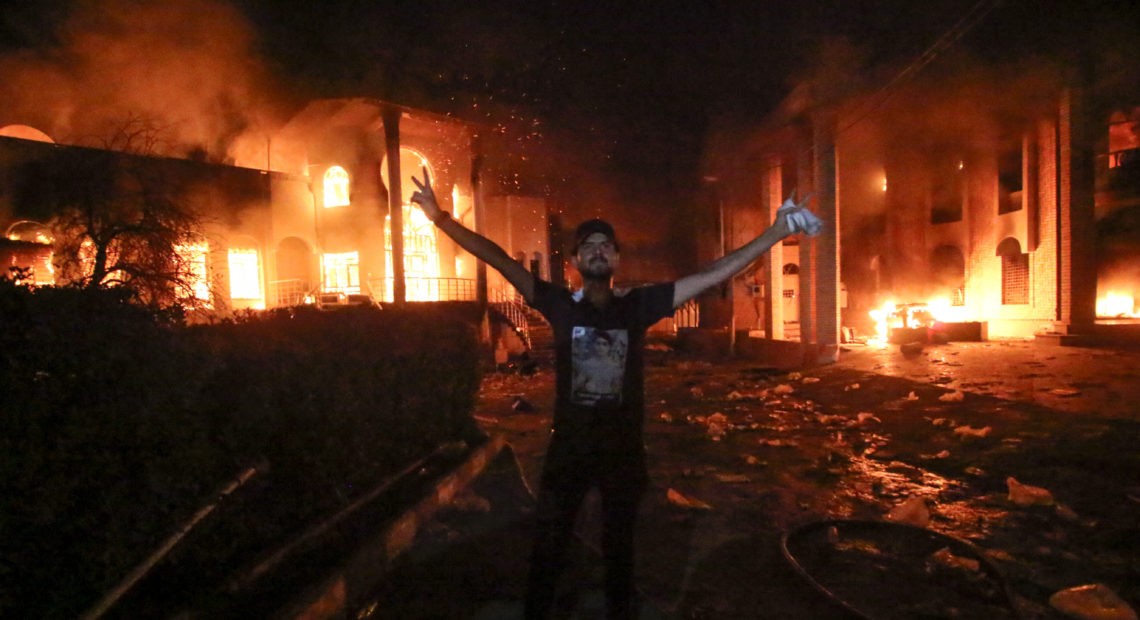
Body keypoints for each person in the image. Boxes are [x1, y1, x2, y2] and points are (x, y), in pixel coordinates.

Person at [410, 168, 821, 619]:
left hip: (623, 454)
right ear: (575, 261)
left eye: (606, 245)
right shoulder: (559, 305)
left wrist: (777, 231)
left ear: (617, 258)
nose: (598, 251)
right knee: (548, 550)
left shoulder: (638, 306)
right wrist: (440, 218)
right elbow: (499, 259)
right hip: (568, 450)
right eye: (589, 246)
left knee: (620, 555)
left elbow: (710, 274)